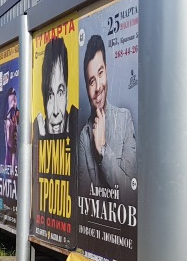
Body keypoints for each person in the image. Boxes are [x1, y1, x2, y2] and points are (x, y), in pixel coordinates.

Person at [77, 34, 137, 192]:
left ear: (107, 71)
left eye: (100, 73)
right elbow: (85, 198)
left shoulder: (125, 119)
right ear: (87, 88)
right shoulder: (84, 137)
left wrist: (103, 149)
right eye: (91, 81)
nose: (98, 87)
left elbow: (130, 193)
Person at [35, 37, 76, 137]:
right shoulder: (35, 131)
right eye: (50, 95)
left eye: (60, 92)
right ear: (43, 98)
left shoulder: (78, 125)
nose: (56, 111)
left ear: (67, 95)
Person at [4, 88, 19, 168]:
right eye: (11, 101)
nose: (13, 103)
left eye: (14, 100)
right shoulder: (7, 118)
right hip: (9, 151)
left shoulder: (17, 114)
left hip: (16, 151)